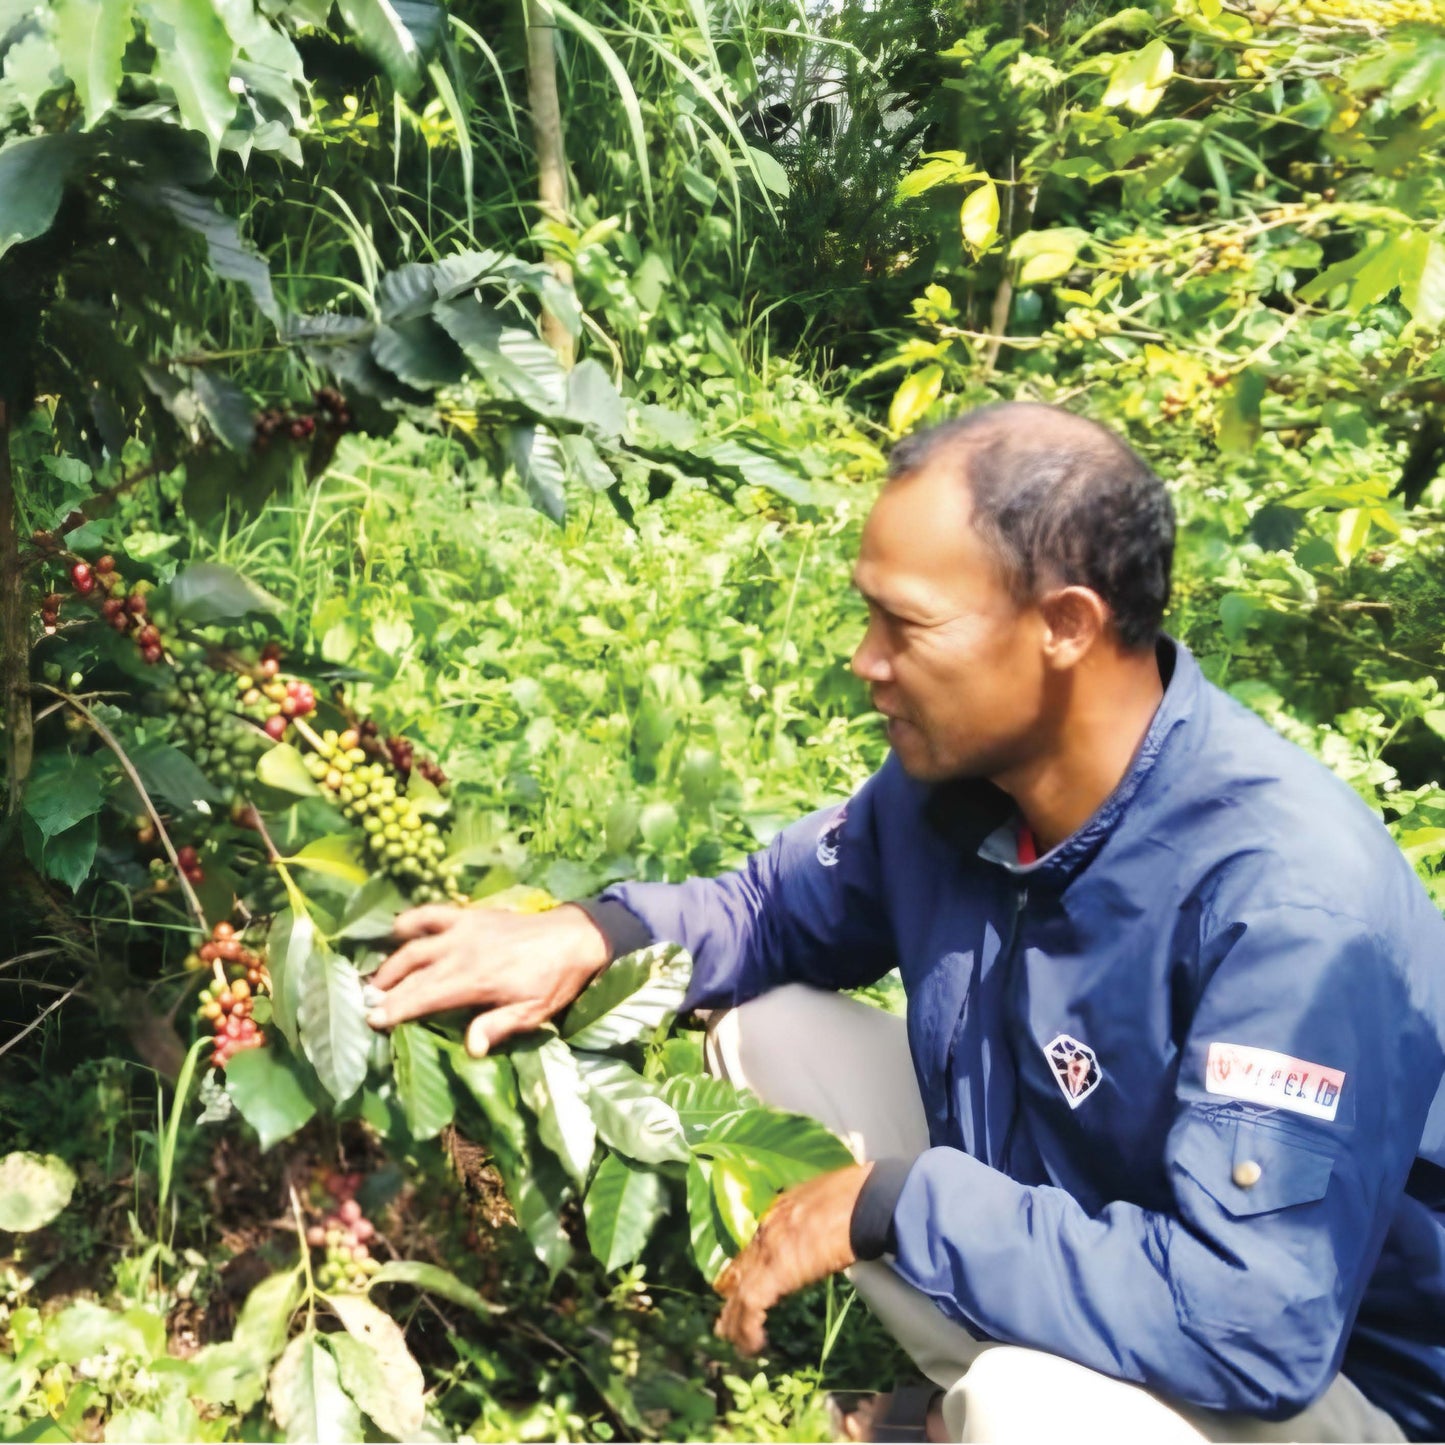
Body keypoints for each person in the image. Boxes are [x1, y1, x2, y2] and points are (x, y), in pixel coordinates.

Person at [364, 403, 1445, 1443]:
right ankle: (965, 1392)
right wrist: (585, 932)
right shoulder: (964, 785)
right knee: (768, 1032)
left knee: (1032, 1413)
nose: (864, 660)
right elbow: (768, 910)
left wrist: (901, 1207)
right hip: (1103, 1230)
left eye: (905, 624)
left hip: (1332, 1385)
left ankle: (999, 1406)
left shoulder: (1287, 905)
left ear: (1064, 625)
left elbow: (1252, 1323)